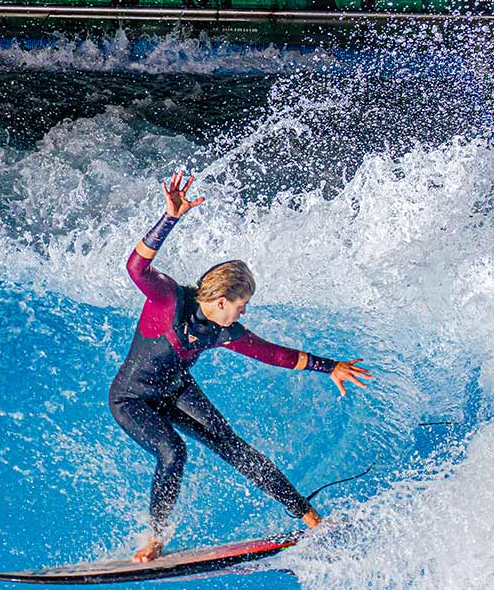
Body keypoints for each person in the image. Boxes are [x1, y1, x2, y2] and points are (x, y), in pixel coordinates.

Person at [110, 170, 373, 562]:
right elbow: (136, 268)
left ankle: (312, 519)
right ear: (221, 302)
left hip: (175, 389)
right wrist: (170, 218)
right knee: (173, 452)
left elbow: (275, 354)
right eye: (241, 304)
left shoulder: (224, 331)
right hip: (132, 399)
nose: (243, 312)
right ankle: (155, 539)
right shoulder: (169, 300)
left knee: (234, 447)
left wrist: (329, 367)